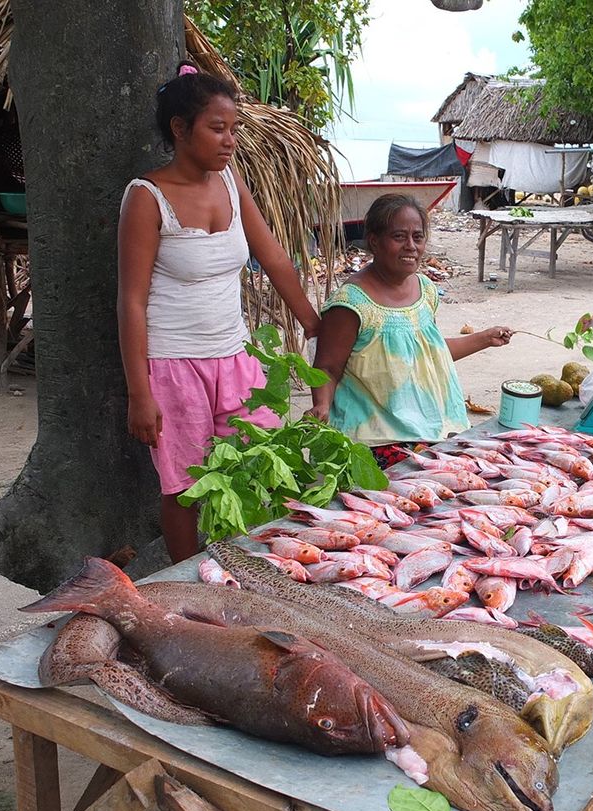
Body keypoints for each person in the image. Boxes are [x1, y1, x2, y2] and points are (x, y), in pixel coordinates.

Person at [117, 62, 320, 562]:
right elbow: (131, 300)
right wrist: (139, 394)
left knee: (263, 461)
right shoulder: (146, 197)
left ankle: (254, 567)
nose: (230, 140)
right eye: (217, 128)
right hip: (172, 368)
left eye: (234, 129)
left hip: (234, 358)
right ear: (180, 129)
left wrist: (314, 324)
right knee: (183, 487)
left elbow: (273, 256)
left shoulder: (230, 183)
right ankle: (186, 577)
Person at [310, 193, 512, 467]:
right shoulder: (351, 304)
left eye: (418, 237)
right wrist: (321, 405)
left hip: (434, 430)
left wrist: (485, 338)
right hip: (377, 438)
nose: (411, 246)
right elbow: (327, 368)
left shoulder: (425, 289)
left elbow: (430, 354)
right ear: (374, 242)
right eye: (399, 237)